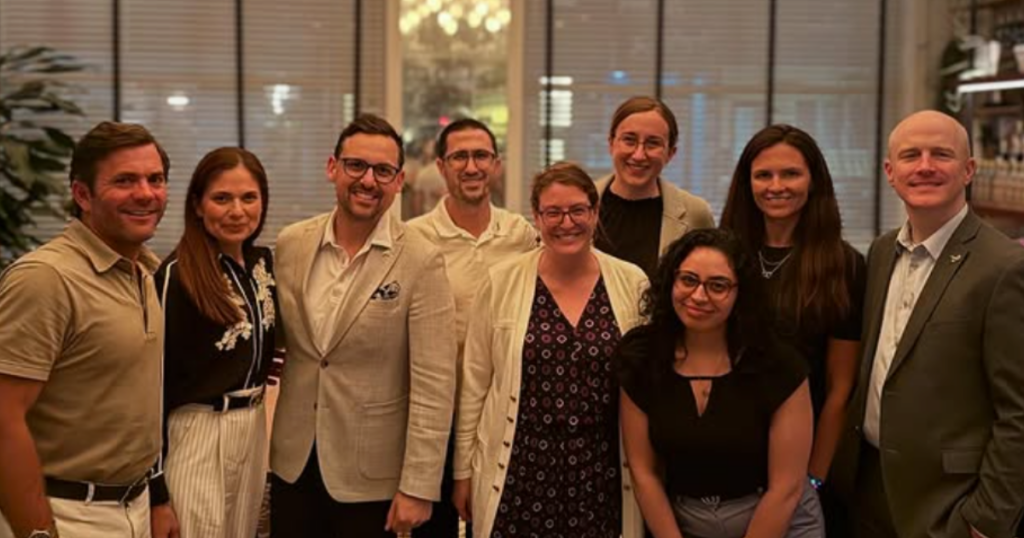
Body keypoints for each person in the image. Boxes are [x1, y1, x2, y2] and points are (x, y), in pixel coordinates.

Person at [831, 110, 1024, 538]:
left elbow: (1019, 411)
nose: (924, 166)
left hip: (950, 505)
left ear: (968, 169)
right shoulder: (881, 252)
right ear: (889, 172)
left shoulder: (1006, 268)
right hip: (869, 490)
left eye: (941, 154)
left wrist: (988, 519)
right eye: (910, 155)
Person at [269, 114, 457, 538]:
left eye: (383, 171)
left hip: (373, 479)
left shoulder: (422, 261)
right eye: (356, 166)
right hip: (293, 464)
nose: (368, 180)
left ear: (399, 181)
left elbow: (435, 383)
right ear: (332, 167)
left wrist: (418, 486)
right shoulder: (291, 244)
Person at [453, 162, 649, 538]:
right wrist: (463, 472)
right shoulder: (502, 281)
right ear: (536, 217)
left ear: (594, 213)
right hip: (519, 472)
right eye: (553, 212)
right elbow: (475, 384)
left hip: (601, 475)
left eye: (577, 210)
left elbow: (647, 385)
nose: (566, 222)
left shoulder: (632, 281)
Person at [0, 122, 170, 537]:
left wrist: (156, 498)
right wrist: (37, 532)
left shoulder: (145, 269)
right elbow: (3, 418)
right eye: (125, 181)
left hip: (134, 506)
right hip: (65, 513)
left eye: (156, 179)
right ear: (82, 195)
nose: (146, 194)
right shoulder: (46, 278)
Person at [617, 228, 824, 538]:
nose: (699, 296)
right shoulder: (641, 358)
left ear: (741, 294)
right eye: (688, 280)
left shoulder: (779, 364)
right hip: (684, 522)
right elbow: (644, 473)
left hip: (779, 520)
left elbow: (786, 488)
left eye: (718, 285)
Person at [719, 124, 865, 536]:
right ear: (746, 183)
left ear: (813, 180)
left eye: (791, 174)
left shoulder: (844, 267)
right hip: (726, 463)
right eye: (763, 175)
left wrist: (813, 479)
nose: (776, 186)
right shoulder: (723, 256)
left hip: (803, 470)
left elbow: (840, 389)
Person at [406, 118, 537, 538]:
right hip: (435, 422)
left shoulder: (522, 235)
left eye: (481, 155)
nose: (471, 166)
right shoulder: (412, 239)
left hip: (502, 419)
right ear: (441, 167)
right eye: (459, 157)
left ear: (496, 165)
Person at [148, 147, 278, 538]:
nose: (237, 211)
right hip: (198, 431)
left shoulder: (262, 264)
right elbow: (150, 388)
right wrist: (157, 493)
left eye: (248, 198)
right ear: (198, 206)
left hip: (252, 426)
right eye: (222, 198)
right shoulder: (178, 275)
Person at [594, 96, 715, 277]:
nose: (639, 155)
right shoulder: (578, 203)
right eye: (629, 140)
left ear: (671, 153)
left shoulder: (695, 213)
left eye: (653, 143)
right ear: (611, 144)